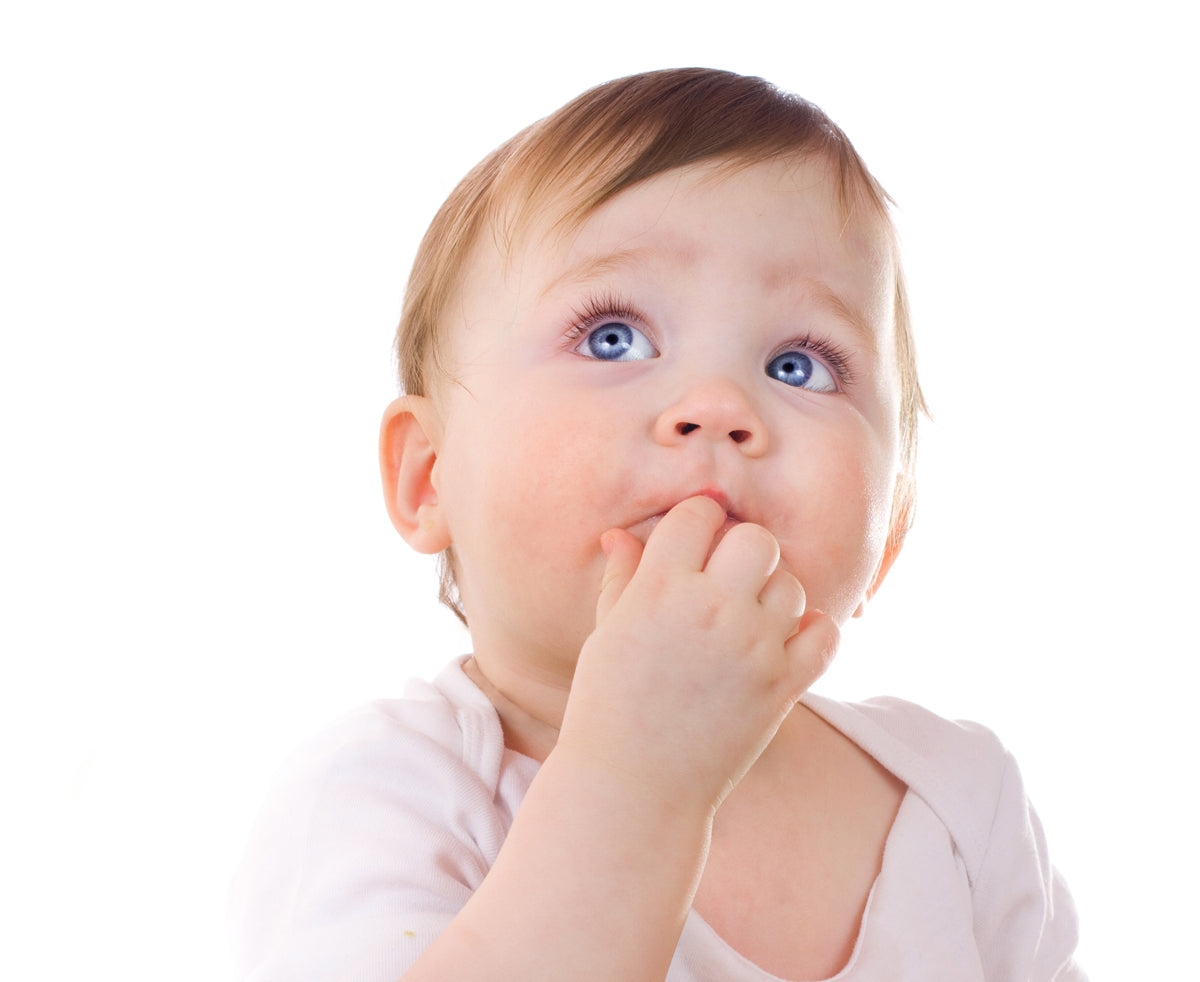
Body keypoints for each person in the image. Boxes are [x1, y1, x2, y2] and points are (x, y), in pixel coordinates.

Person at [230, 68, 1085, 981]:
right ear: (428, 476)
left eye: (800, 364)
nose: (718, 406)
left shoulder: (959, 802)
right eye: (613, 337)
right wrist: (638, 779)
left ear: (894, 530)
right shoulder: (387, 796)